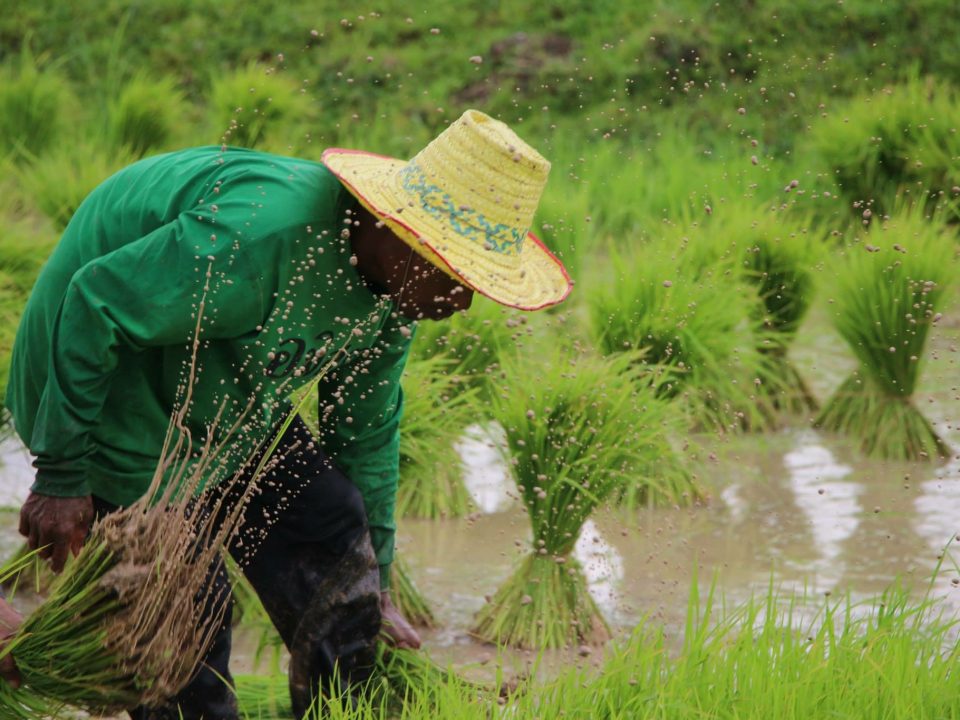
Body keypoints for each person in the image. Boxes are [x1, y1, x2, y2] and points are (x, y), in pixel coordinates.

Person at [0, 109, 571, 716]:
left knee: (332, 534)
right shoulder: (258, 237)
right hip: (113, 389)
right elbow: (93, 306)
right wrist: (63, 474)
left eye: (473, 284)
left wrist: (374, 582)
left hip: (228, 393)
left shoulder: (393, 301)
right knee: (186, 616)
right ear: (401, 233)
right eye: (455, 275)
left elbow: (366, 432)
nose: (461, 302)